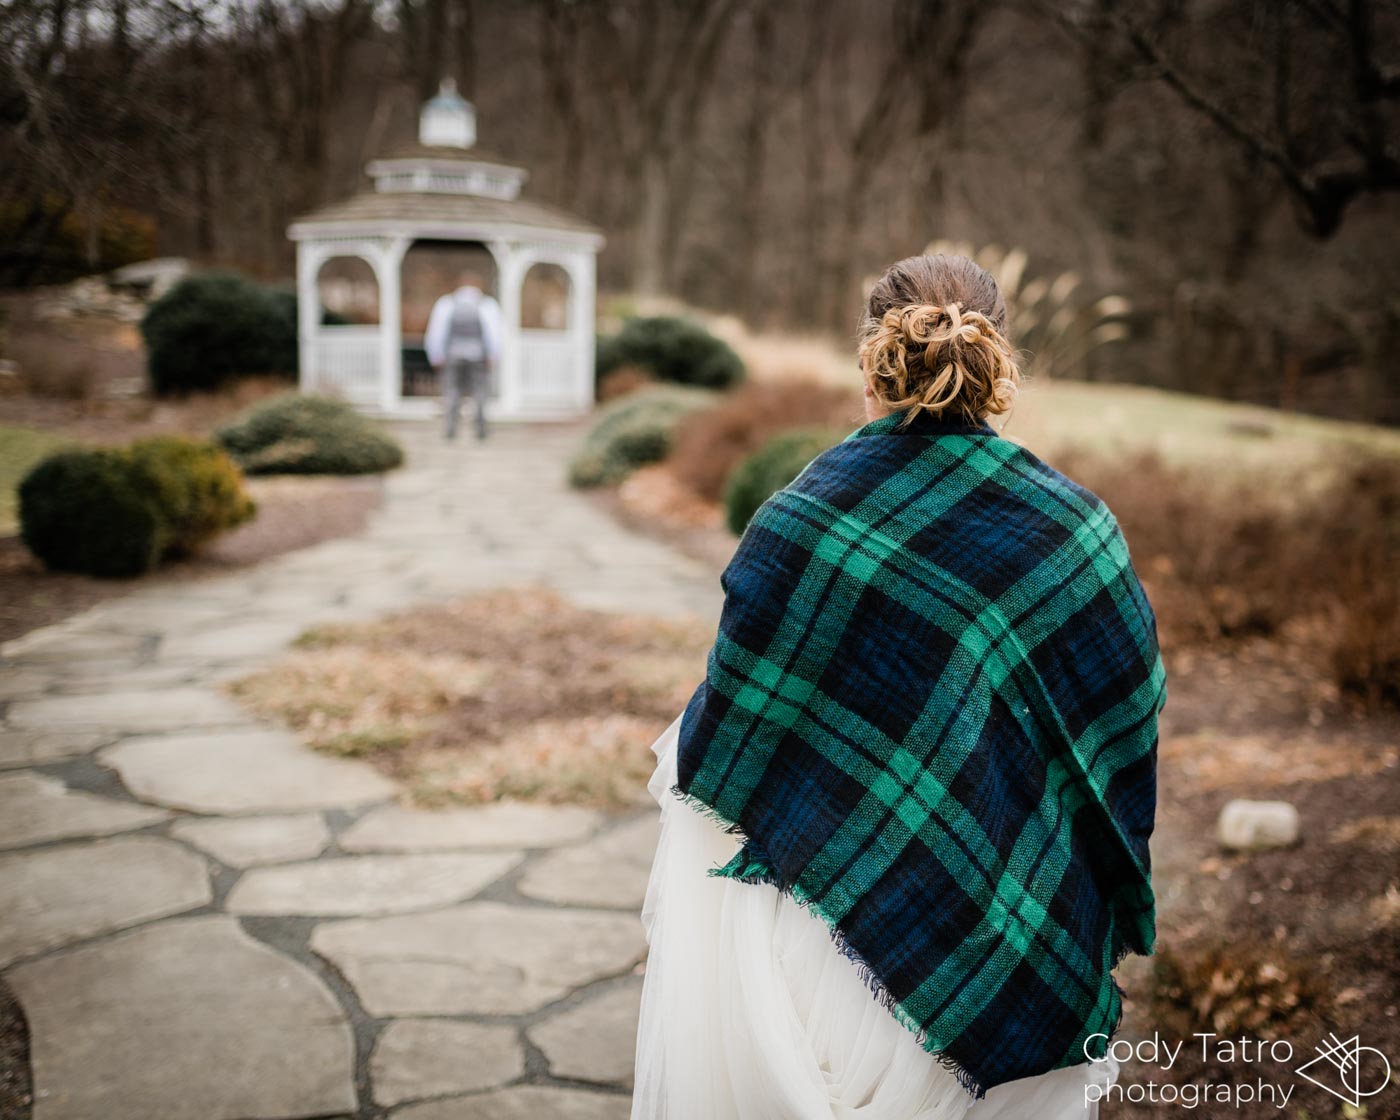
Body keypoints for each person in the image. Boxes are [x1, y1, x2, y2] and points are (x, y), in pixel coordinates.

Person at [631, 253, 1165, 1120]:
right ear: (997, 364)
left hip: (820, 947)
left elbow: (728, 741)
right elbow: (1124, 717)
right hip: (1005, 929)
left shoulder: (801, 521)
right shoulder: (1076, 526)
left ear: (868, 363)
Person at [424, 269, 503, 440]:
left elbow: (437, 331)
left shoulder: (447, 303)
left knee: (452, 392)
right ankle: (480, 430)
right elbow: (494, 333)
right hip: (478, 356)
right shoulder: (486, 304)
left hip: (453, 355)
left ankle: (451, 429)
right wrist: (494, 354)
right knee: (479, 394)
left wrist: (435, 354)